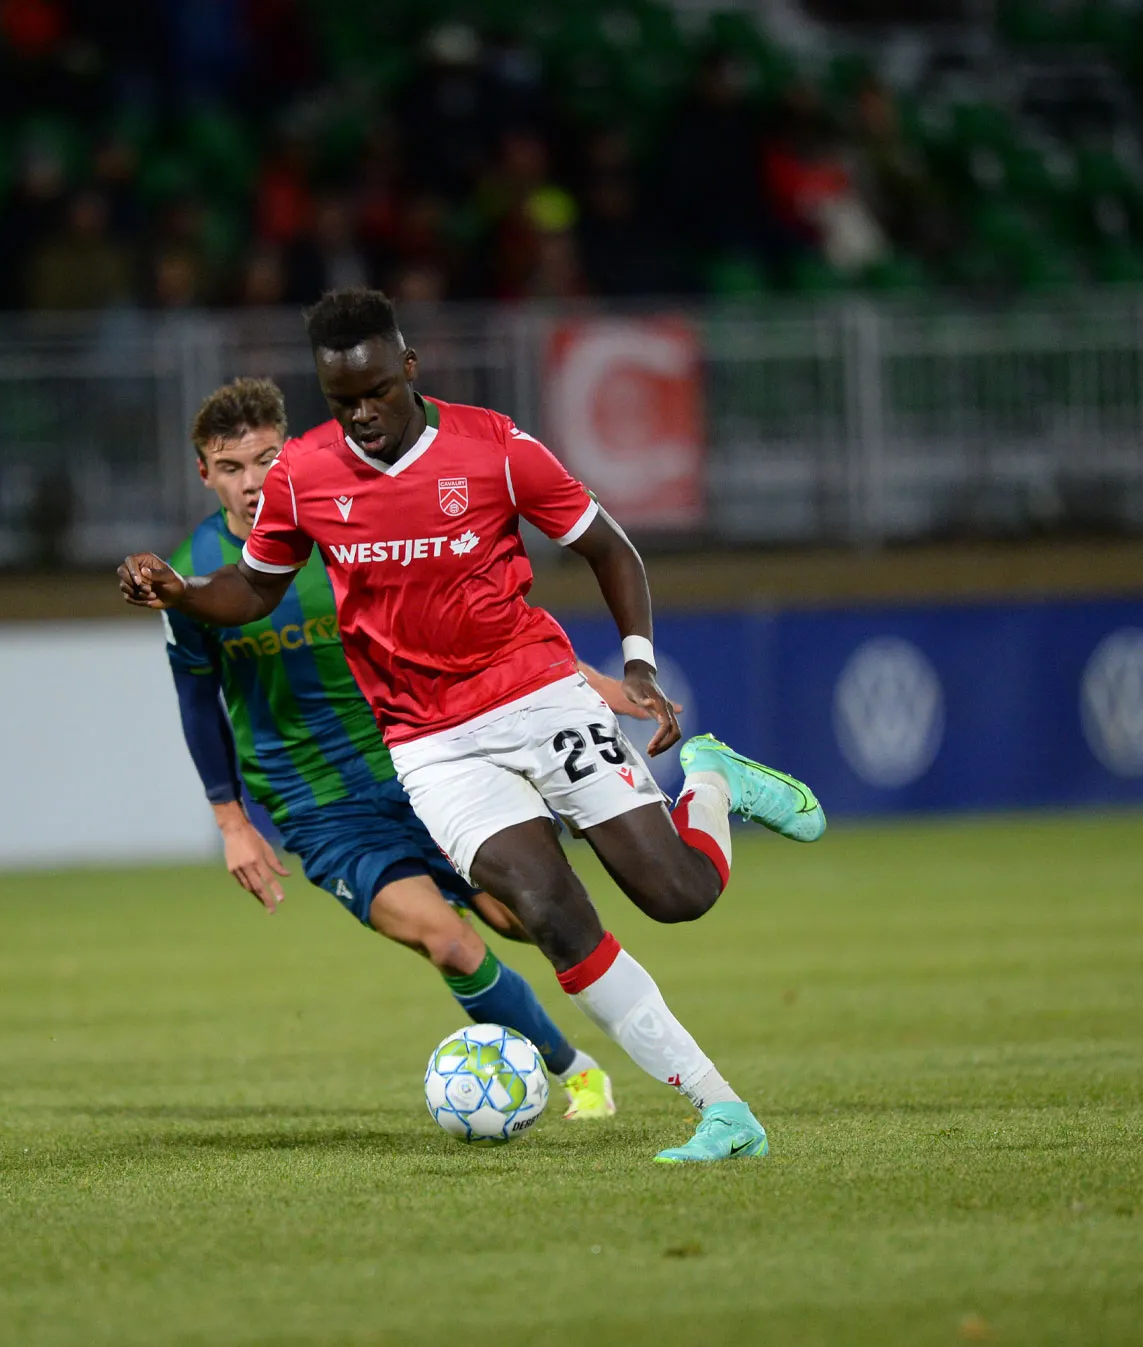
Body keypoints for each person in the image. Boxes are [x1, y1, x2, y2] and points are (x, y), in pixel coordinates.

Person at [120, 289, 827, 1163]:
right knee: (547, 913)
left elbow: (608, 546)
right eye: (342, 401)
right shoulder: (306, 473)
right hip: (429, 742)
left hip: (536, 695)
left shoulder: (493, 447)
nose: (362, 415)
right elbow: (256, 587)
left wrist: (636, 659)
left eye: (376, 391)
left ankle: (715, 779)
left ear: (408, 369)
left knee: (677, 895)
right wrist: (185, 594)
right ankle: (723, 1111)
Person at [163, 377, 619, 1122]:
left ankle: (646, 1030)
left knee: (521, 915)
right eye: (232, 467)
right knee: (446, 939)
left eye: (265, 460)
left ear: (292, 454)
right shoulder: (194, 576)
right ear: (205, 473)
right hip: (317, 803)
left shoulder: (348, 526)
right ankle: (577, 1074)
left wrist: (573, 676)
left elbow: (459, 618)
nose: (251, 483)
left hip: (417, 761)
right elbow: (195, 697)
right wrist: (231, 821)